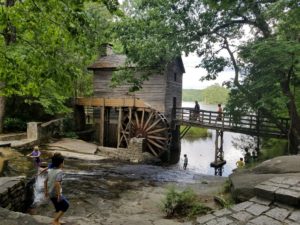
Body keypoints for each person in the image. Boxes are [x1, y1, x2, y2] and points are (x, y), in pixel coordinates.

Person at [44, 154, 69, 225]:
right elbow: (57, 183)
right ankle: (55, 221)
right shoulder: (60, 172)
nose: (63, 163)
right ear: (61, 163)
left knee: (57, 208)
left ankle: (57, 221)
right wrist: (59, 195)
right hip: (55, 193)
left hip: (50, 193)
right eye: (63, 162)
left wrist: (46, 191)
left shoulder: (49, 170)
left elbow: (45, 181)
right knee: (66, 205)